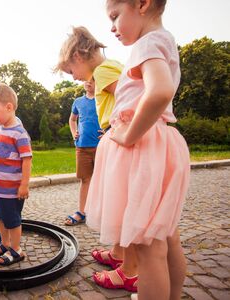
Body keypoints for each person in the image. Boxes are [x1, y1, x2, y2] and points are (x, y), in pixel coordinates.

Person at [87, 0, 190, 299]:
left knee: (148, 248)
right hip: (160, 144)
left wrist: (129, 136)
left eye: (115, 16)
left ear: (142, 4)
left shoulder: (147, 43)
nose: (112, 27)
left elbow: (160, 91)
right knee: (166, 238)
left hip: (143, 148)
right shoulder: (164, 39)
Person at [56, 26, 134, 290]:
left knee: (122, 204)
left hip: (122, 139)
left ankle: (130, 270)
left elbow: (133, 96)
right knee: (118, 200)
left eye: (70, 71)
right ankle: (119, 253)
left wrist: (117, 127)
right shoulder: (108, 68)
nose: (75, 78)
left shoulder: (102, 71)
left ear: (79, 56)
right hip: (113, 136)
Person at [0, 83, 32, 266]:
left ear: (9, 107)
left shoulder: (19, 133)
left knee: (12, 220)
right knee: (0, 217)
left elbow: (27, 159)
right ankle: (5, 244)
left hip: (11, 190)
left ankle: (16, 250)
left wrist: (24, 184)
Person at [64, 79, 101, 225]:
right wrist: (74, 134)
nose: (89, 82)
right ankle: (82, 212)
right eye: (86, 80)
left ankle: (102, 212)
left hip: (101, 146)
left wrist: (108, 131)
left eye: (93, 79)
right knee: (85, 179)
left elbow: (114, 116)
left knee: (103, 180)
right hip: (82, 146)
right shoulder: (78, 101)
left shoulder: (103, 99)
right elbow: (72, 120)